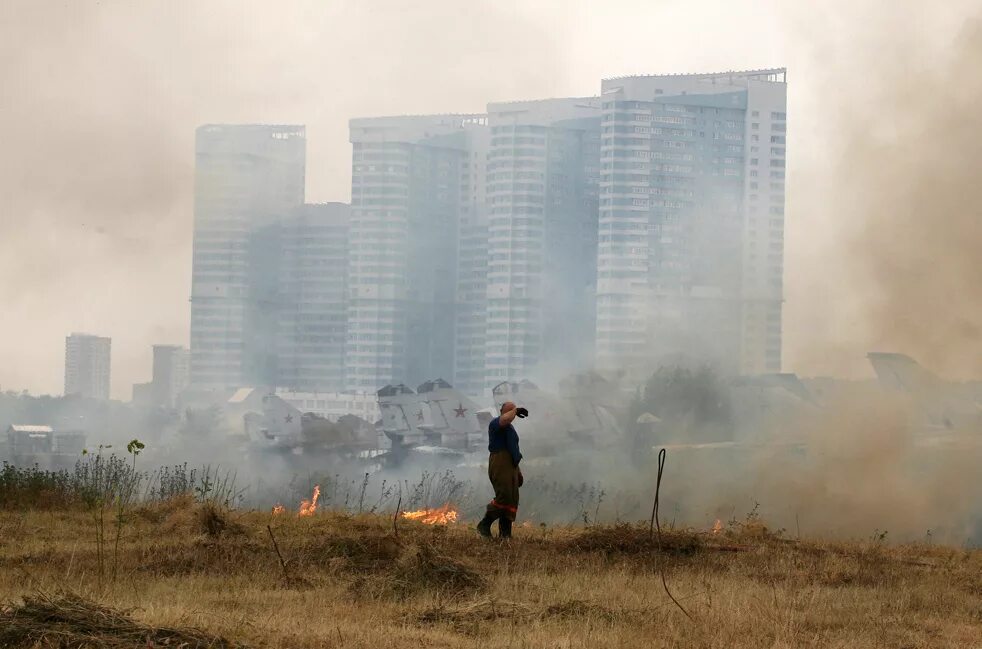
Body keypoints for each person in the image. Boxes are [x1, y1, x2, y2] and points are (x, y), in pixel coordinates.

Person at [476, 401, 527, 538]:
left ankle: (505, 535)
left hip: (511, 464)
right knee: (504, 496)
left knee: (512, 500)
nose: (514, 412)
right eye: (511, 410)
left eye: (514, 409)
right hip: (500, 462)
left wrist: (518, 471)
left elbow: (514, 450)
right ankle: (484, 525)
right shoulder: (495, 424)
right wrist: (515, 410)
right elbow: (505, 419)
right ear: (503, 411)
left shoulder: (511, 429)